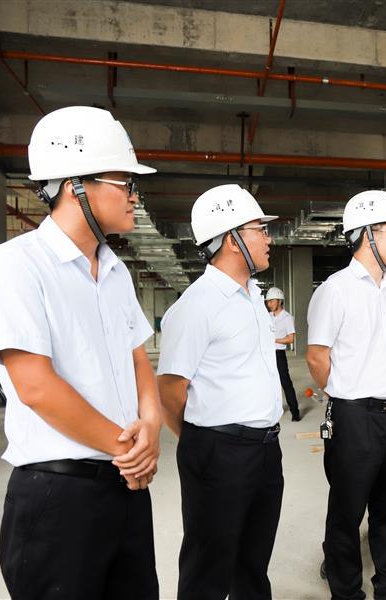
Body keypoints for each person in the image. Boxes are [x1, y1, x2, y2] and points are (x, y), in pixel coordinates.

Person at [0, 105, 160, 598]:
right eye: (124, 182)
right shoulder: (15, 266)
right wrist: (130, 450)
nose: (134, 196)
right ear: (76, 185)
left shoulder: (116, 273)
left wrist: (152, 427)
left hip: (126, 488)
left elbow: (138, 360)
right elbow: (36, 386)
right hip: (59, 496)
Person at [157, 184, 284, 599]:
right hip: (219, 451)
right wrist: (203, 441)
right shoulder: (197, 305)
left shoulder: (253, 296)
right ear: (231, 239)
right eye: (259, 230)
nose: (268, 238)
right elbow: (170, 389)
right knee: (208, 569)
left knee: (253, 564)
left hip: (266, 449)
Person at [307, 190, 386, 600]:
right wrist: (346, 392)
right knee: (347, 511)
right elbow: (317, 357)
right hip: (354, 416)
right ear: (368, 234)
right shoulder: (335, 290)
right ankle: (346, 592)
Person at [266, 287, 302, 421]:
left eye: (271, 301)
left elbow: (290, 339)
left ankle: (295, 412)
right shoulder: (268, 316)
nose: (269, 304)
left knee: (285, 383)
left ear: (279, 301)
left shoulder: (287, 318)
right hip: (267, 354)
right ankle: (272, 411)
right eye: (268, 301)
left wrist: (274, 340)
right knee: (269, 384)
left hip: (279, 354)